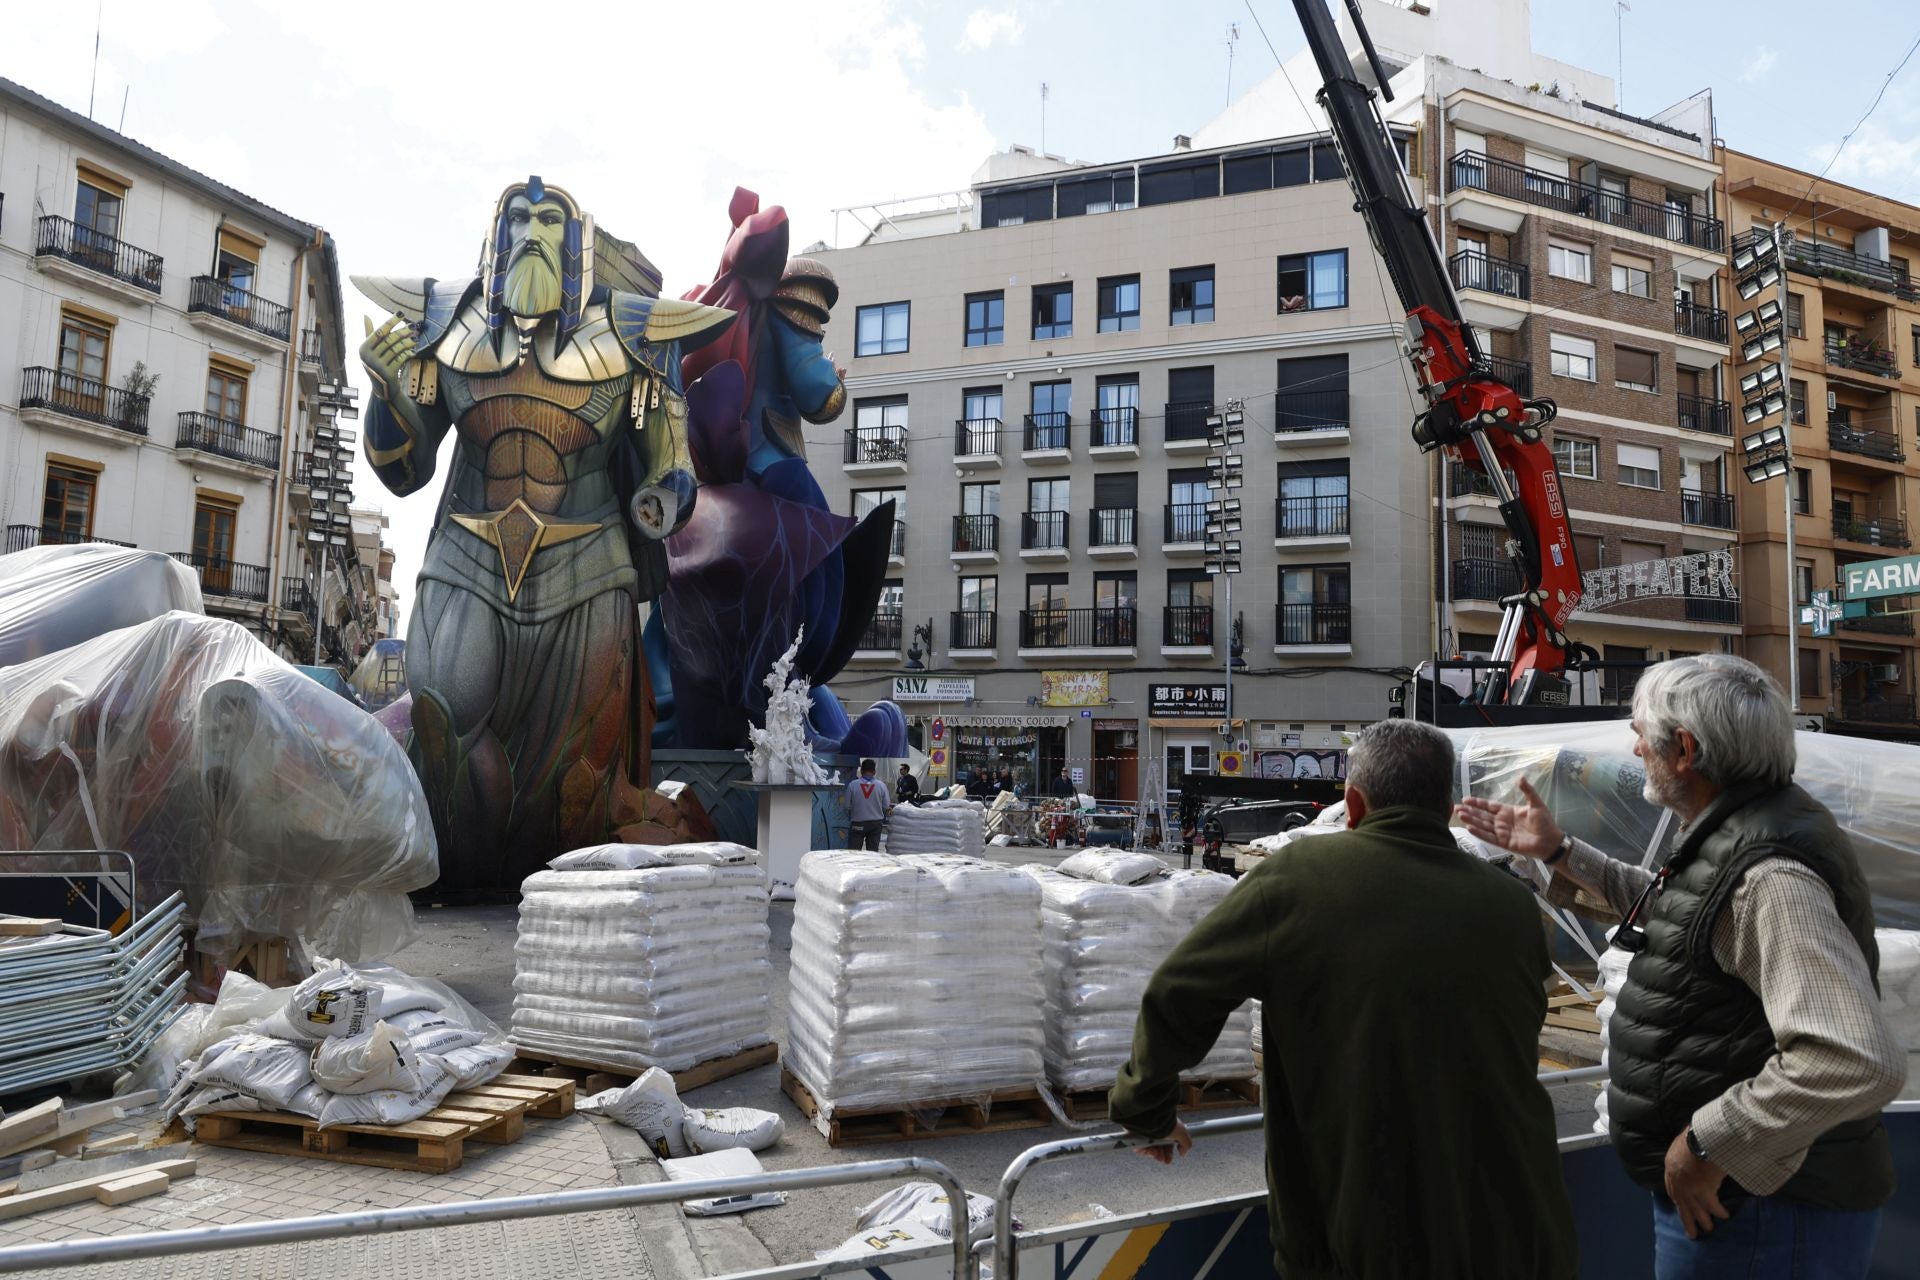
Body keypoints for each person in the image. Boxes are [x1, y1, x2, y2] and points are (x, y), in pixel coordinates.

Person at [1455, 655, 1905, 1278]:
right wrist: (1559, 852)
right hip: (1750, 1208)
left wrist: (1706, 1145)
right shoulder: (1743, 829)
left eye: (1640, 732)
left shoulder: (1768, 874)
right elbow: (1683, 917)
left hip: (1762, 1217)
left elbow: (1852, 1057)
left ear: (1685, 748)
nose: (1635, 748)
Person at [1110, 720, 1576, 1279]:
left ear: (1352, 803)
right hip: (1519, 1232)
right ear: (1447, 805)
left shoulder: (1298, 879)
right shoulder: (1511, 904)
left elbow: (1179, 994)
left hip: (1367, 1237)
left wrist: (1146, 1109)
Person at [843, 758, 890, 851]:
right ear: (874, 771)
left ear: (861, 771)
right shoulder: (881, 786)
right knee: (872, 854)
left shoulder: (853, 785)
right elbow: (886, 806)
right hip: (875, 824)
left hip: (857, 823)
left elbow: (847, 806)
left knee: (854, 853)